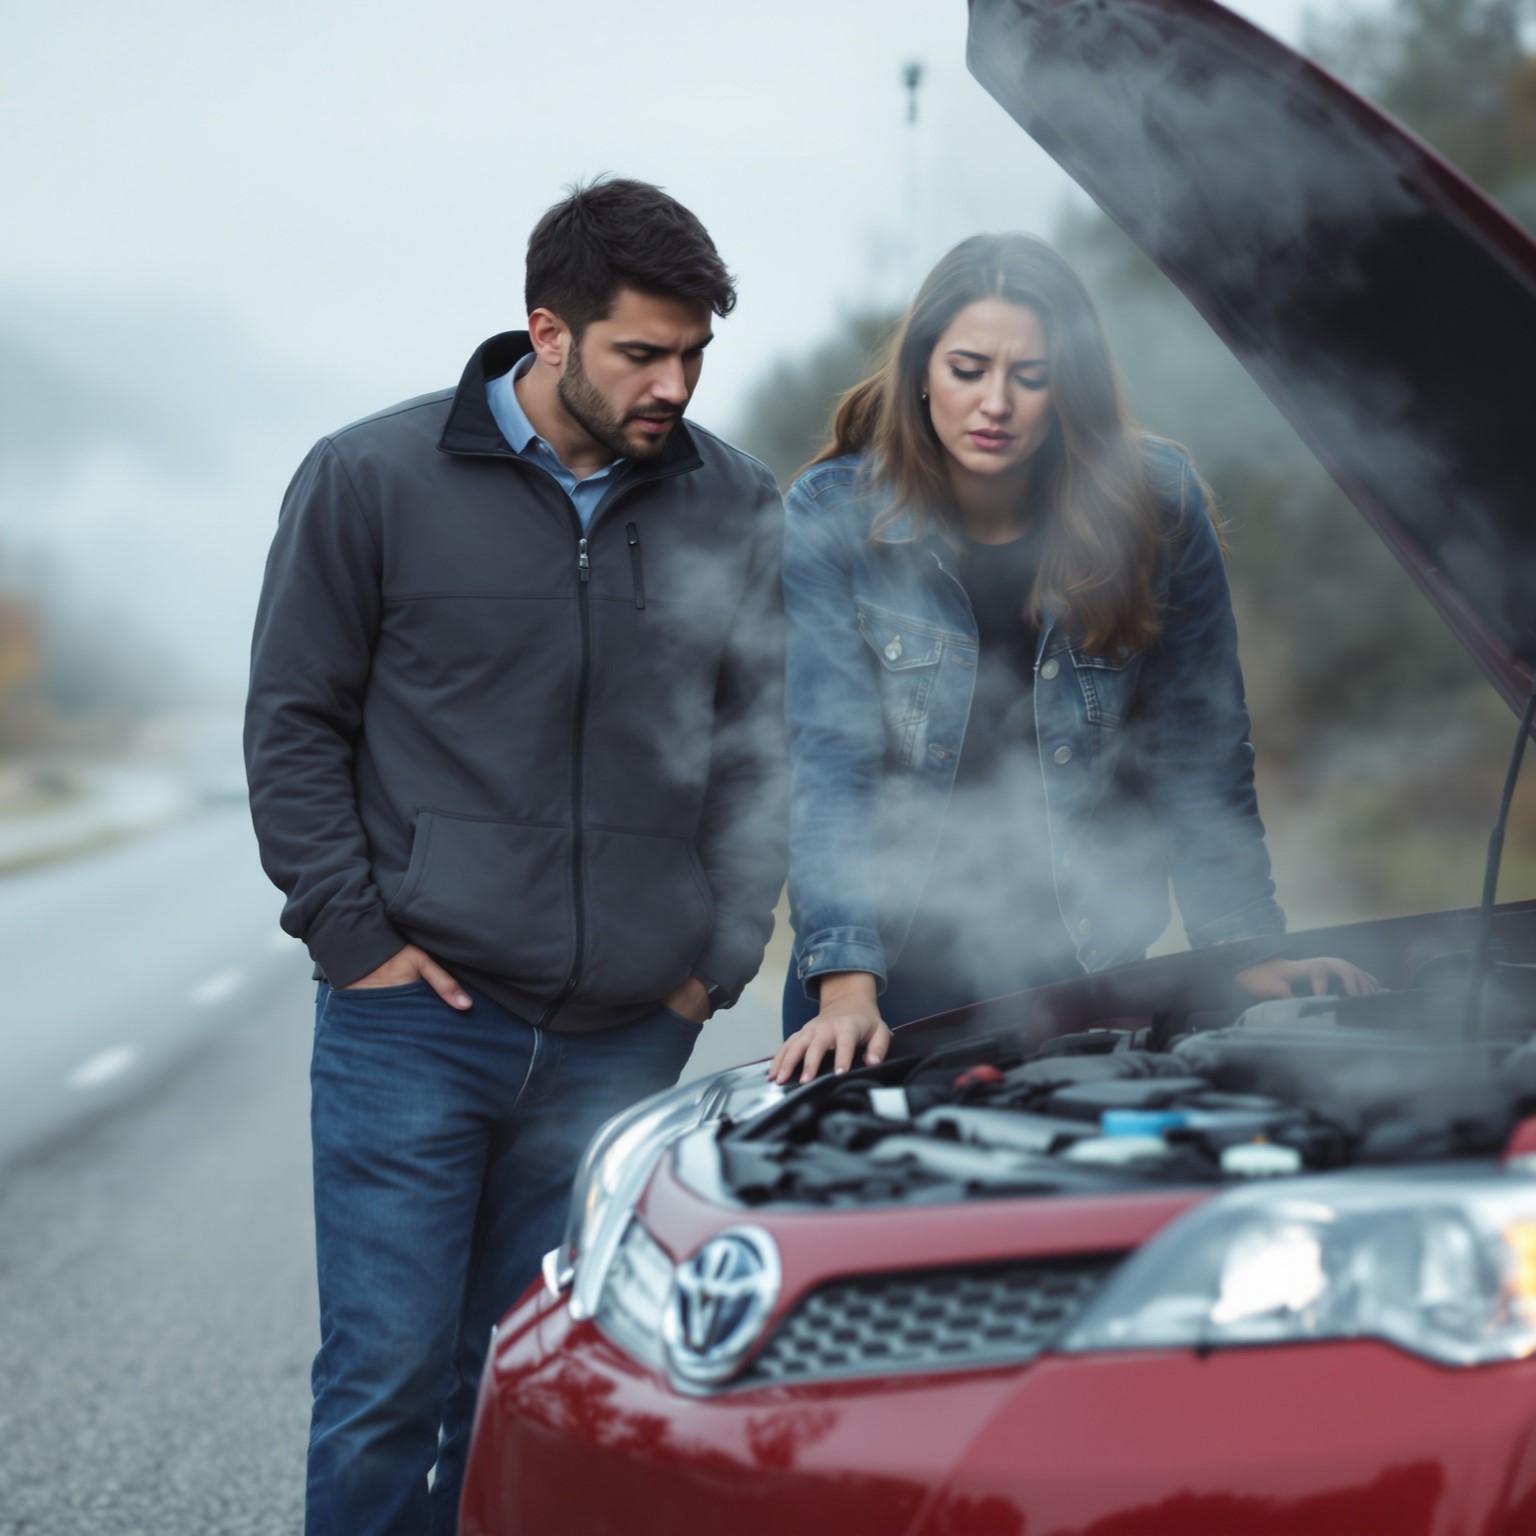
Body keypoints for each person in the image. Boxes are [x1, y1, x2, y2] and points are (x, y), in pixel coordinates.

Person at [245, 177, 787, 1535]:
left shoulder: (736, 506)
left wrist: (710, 968)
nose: (676, 382)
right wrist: (354, 941)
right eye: (643, 352)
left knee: (535, 1392)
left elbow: (763, 756)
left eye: (695, 354)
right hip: (416, 1028)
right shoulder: (369, 480)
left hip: (622, 1040)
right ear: (546, 332)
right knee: (387, 1381)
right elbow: (295, 723)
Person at [771, 233, 1371, 1086]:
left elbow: (1199, 747)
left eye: (1031, 374)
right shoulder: (832, 513)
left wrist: (1242, 944)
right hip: (878, 981)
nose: (997, 403)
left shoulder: (1156, 505)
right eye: (970, 368)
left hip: (1086, 974)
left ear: (1069, 384)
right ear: (921, 372)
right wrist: (843, 991)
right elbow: (830, 762)